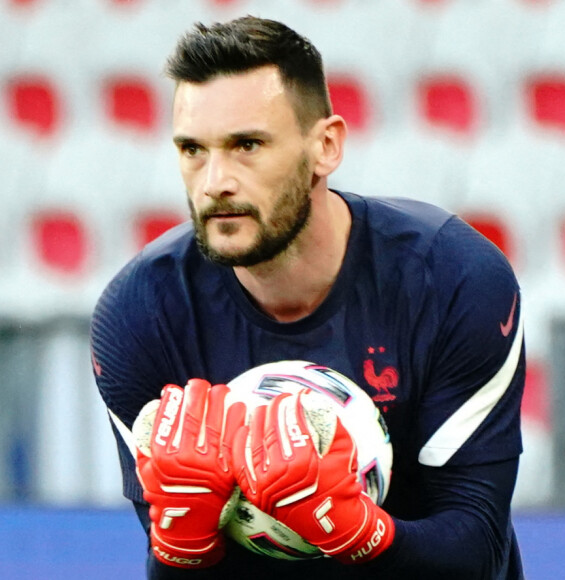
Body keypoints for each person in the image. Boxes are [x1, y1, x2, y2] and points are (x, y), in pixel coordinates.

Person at [91, 16, 526, 580]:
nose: (214, 181)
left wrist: (361, 532)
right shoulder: (138, 314)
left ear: (325, 146)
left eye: (247, 145)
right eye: (193, 149)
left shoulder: (453, 279)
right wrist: (183, 547)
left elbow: (479, 548)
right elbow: (169, 563)